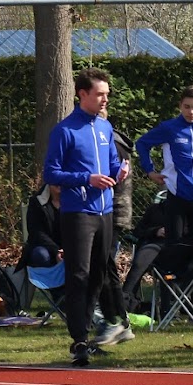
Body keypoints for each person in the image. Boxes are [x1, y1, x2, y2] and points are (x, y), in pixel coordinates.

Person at [43, 67, 129, 367]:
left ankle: (90, 333)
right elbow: (51, 173)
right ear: (83, 94)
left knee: (99, 274)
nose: (105, 99)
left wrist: (120, 171)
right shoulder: (65, 130)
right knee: (78, 275)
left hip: (104, 211)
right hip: (78, 213)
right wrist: (85, 178)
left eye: (107, 94)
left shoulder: (105, 128)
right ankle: (78, 339)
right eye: (100, 94)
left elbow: (112, 163)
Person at [134, 84, 193, 276]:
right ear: (180, 106)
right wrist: (150, 171)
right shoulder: (170, 128)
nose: (191, 112)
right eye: (186, 106)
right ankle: (168, 297)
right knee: (173, 246)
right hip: (176, 195)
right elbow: (142, 144)